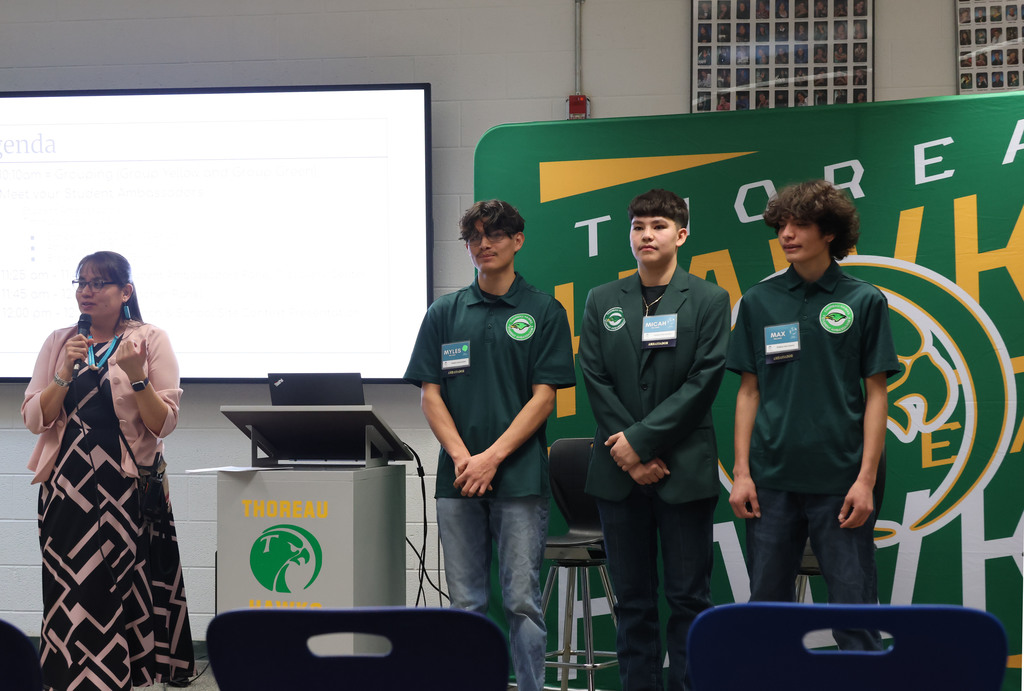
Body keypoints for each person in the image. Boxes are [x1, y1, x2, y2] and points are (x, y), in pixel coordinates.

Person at [404, 200, 575, 691]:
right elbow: (429, 394)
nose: (484, 244)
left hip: (518, 478)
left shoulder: (542, 309)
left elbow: (544, 400)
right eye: (475, 237)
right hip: (457, 480)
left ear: (517, 240)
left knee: (521, 600)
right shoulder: (445, 311)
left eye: (495, 235)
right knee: (465, 603)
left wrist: (491, 458)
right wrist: (463, 458)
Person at [726, 180, 899, 650]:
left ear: (830, 233)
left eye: (800, 224)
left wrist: (865, 480)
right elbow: (748, 391)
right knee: (767, 610)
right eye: (781, 224)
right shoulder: (758, 301)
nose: (787, 234)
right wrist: (741, 473)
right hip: (770, 482)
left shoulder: (864, 300)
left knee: (853, 610)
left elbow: (877, 394)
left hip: (841, 482)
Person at [579, 189, 730, 690]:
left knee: (689, 598)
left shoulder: (709, 299)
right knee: (633, 600)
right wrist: (629, 453)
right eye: (638, 226)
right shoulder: (603, 299)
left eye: (659, 226)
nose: (646, 234)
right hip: (618, 474)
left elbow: (704, 381)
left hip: (682, 469)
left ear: (681, 234)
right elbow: (595, 379)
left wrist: (640, 442)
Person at [22, 251, 195, 690]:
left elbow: (163, 424)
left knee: (122, 584)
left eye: (99, 283)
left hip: (127, 487)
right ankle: (68, 676)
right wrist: (62, 372)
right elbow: (34, 419)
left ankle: (124, 675)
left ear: (126, 292)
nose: (87, 291)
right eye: (81, 282)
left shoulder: (149, 339)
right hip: (67, 490)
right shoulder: (60, 342)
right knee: (71, 588)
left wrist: (137, 377)